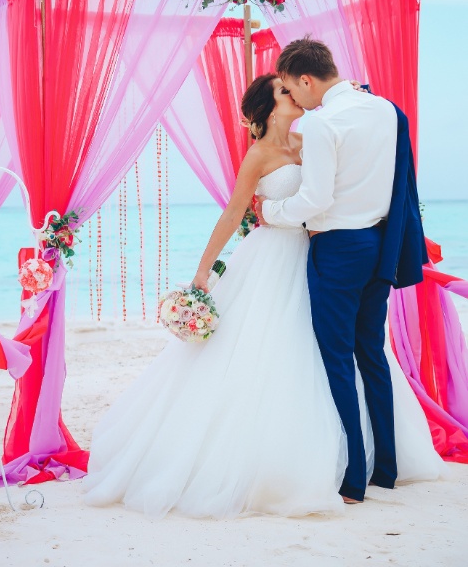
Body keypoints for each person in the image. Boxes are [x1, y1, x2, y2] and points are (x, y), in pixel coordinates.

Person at [83, 70, 442, 519]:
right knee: (272, 350)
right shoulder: (258, 154)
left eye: (292, 86)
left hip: (318, 253)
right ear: (269, 108)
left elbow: (328, 188)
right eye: (283, 91)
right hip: (272, 256)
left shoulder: (311, 140)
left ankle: (364, 457)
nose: (294, 93)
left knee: (331, 352)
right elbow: (234, 212)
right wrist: (203, 269)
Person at [255, 37, 428, 504]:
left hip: (338, 249)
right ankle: (385, 469)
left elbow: (315, 200)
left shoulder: (322, 123)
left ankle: (353, 480)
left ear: (305, 79)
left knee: (336, 360)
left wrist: (270, 211)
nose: (296, 99)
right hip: (381, 244)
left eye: (293, 88)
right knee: (371, 355)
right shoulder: (385, 109)